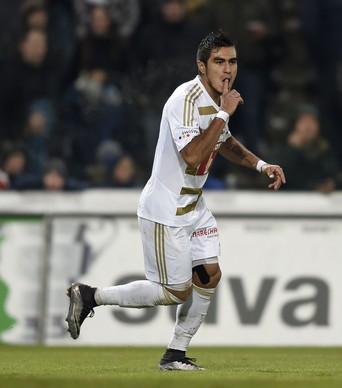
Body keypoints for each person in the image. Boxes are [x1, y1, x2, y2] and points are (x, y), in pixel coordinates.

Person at [65, 30, 286, 371]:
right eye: (219, 62)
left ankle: (175, 355)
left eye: (232, 61)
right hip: (165, 209)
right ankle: (91, 295)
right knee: (174, 292)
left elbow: (223, 143)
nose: (227, 69)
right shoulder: (184, 100)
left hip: (194, 206)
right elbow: (194, 156)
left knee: (209, 274)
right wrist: (224, 114)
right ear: (202, 66)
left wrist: (260, 164)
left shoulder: (218, 101)